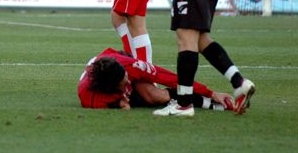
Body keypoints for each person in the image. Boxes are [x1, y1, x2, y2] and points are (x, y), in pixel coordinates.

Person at [78, 48, 234, 111]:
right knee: (150, 99)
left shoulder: (130, 66)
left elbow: (168, 78)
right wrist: (119, 101)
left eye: (127, 78)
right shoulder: (88, 96)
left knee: (156, 97)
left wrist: (211, 93)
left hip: (120, 59)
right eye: (123, 83)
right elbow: (119, 104)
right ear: (112, 88)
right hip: (109, 86)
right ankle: (202, 102)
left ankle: (208, 101)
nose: (127, 80)